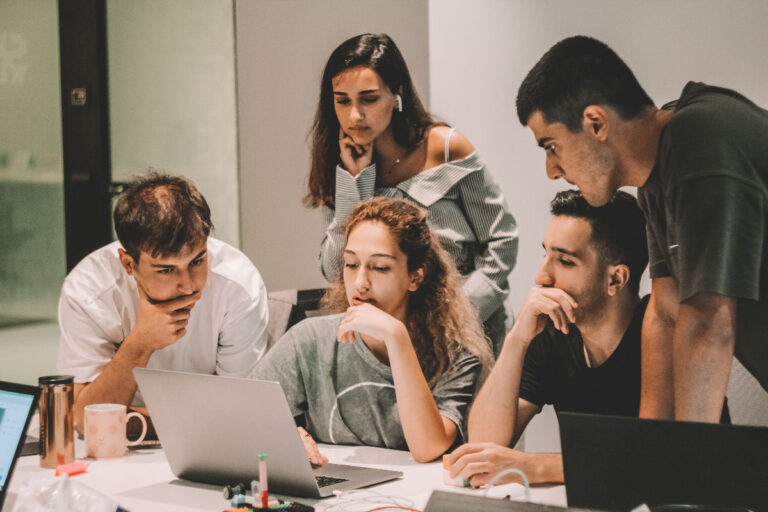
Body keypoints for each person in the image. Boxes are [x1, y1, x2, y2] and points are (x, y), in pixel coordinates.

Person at [516, 35, 768, 423]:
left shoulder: (701, 139)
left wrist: (682, 458)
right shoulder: (657, 178)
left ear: (595, 123)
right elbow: (666, 312)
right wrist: (648, 447)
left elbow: (707, 320)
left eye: (551, 146)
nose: (552, 170)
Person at [306, 33, 518, 353]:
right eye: (342, 100)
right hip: (385, 339)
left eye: (369, 98)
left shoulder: (446, 146)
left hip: (470, 334)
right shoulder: (340, 161)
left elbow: (502, 242)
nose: (354, 116)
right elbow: (336, 268)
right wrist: (355, 181)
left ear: (397, 94)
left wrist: (461, 314)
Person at [254, 197, 493, 463]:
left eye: (380, 267)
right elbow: (243, 415)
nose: (360, 282)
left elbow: (428, 448)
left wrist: (396, 336)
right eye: (351, 264)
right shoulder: (310, 339)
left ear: (415, 277)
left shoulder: (455, 357)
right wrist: (286, 437)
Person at [449, 190, 652, 486]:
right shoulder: (553, 334)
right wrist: (517, 338)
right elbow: (484, 442)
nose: (542, 277)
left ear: (616, 279)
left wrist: (535, 466)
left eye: (565, 262)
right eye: (546, 255)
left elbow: (657, 458)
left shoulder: (661, 334)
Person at [58, 172, 269, 431]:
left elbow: (241, 411)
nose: (188, 285)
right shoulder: (89, 291)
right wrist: (139, 344)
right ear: (128, 264)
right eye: (166, 270)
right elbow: (84, 419)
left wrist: (130, 419)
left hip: (212, 445)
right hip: (114, 448)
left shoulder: (239, 286)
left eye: (197, 261)